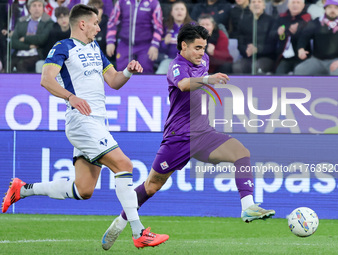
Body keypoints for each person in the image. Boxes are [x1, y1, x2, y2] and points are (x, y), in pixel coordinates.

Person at [1, 4, 169, 249]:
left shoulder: (94, 48)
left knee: (84, 189)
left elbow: (113, 81)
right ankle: (138, 232)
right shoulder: (62, 47)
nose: (98, 28)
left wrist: (128, 71)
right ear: (82, 24)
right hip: (82, 122)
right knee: (124, 164)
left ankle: (22, 189)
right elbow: (46, 79)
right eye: (96, 23)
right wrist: (70, 96)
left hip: (98, 122)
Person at [100, 23, 275, 251]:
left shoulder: (203, 62)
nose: (202, 53)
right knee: (151, 186)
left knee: (241, 153)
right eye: (197, 47)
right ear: (183, 46)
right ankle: (120, 222)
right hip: (179, 138)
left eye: (204, 47)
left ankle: (248, 206)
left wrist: (207, 77)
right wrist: (208, 80)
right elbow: (183, 85)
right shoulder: (176, 66)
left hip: (204, 134)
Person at [106, 0, 163, 73]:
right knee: (122, 72)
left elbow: (158, 27)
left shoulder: (153, 3)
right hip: (125, 44)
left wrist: (155, 45)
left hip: (145, 46)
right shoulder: (121, 1)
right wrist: (110, 42)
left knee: (146, 71)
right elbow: (112, 22)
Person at [294, 0, 338, 75]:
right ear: (325, 9)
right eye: (330, 7)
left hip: (336, 61)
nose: (332, 10)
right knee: (300, 70)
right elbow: (304, 36)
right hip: (317, 60)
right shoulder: (316, 22)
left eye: (336, 8)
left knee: (337, 74)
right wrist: (301, 49)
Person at [233, 0, 276, 74]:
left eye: (259, 2)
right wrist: (246, 50)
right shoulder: (243, 22)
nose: (256, 4)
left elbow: (273, 45)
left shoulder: (271, 21)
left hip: (266, 57)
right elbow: (240, 43)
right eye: (253, 2)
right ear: (249, 6)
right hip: (248, 57)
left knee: (256, 66)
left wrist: (257, 49)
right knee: (237, 66)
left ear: (264, 6)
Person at [11, 0, 54, 73]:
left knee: (22, 65)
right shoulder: (21, 21)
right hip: (19, 53)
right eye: (34, 5)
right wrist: (28, 46)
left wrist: (24, 39)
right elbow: (13, 42)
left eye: (39, 6)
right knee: (8, 64)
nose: (37, 8)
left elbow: (41, 39)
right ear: (29, 9)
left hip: (37, 54)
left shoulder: (48, 22)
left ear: (43, 8)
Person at [272, 0, 311, 74]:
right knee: (279, 73)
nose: (295, 5)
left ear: (303, 5)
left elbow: (305, 36)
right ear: (288, 5)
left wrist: (290, 30)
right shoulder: (281, 18)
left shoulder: (307, 19)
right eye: (293, 2)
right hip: (284, 58)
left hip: (301, 57)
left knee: (299, 72)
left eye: (298, 2)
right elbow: (271, 35)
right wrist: (278, 32)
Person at [156, 0, 192, 74]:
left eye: (182, 9)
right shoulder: (165, 26)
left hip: (188, 61)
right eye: (176, 9)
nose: (179, 11)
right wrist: (164, 43)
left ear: (186, 12)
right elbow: (160, 51)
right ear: (172, 12)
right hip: (169, 60)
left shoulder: (193, 26)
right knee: (159, 74)